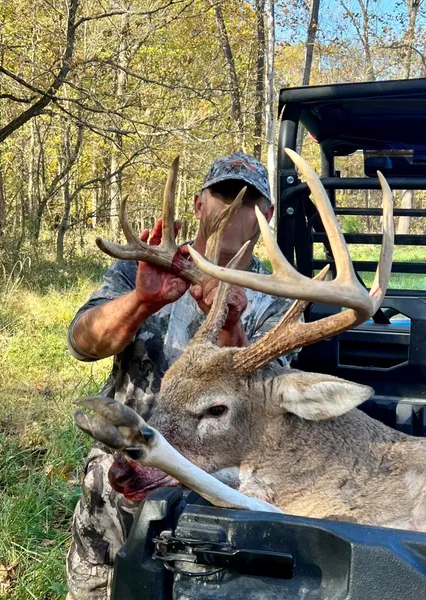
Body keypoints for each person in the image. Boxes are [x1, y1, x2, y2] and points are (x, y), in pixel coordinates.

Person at [65, 152, 299, 600]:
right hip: (123, 473)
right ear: (198, 204)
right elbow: (83, 343)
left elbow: (272, 402)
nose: (233, 209)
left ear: (267, 215)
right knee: (98, 586)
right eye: (224, 195)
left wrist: (229, 323)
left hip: (218, 485)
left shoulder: (279, 298)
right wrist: (142, 301)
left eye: (249, 201)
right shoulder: (144, 267)